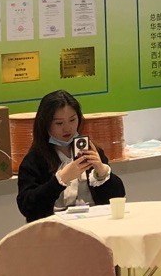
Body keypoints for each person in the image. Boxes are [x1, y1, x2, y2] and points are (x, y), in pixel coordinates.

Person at [16, 89, 125, 222]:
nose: (67, 128)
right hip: (54, 227)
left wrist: (102, 172)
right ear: (45, 124)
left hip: (94, 223)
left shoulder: (91, 150)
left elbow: (118, 197)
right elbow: (27, 207)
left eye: (72, 120)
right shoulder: (35, 160)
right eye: (59, 123)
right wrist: (60, 180)